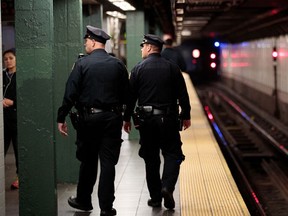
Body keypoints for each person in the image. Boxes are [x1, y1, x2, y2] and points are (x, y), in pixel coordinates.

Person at [57, 25, 130, 216]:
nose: (85, 44)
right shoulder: (118, 65)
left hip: (89, 119)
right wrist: (126, 117)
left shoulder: (81, 64)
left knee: (88, 161)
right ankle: (106, 207)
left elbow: (70, 93)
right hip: (112, 119)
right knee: (108, 163)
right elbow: (127, 94)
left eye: (86, 41)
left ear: (93, 41)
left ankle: (84, 200)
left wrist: (61, 116)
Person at [123, 34, 191, 210]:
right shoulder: (172, 68)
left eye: (142, 46)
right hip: (169, 119)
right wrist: (186, 115)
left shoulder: (138, 69)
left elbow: (131, 97)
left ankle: (155, 198)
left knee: (151, 158)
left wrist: (126, 118)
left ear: (149, 48)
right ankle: (167, 187)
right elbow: (183, 94)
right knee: (173, 154)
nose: (141, 50)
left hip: (147, 121)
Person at [3, 48, 19, 189]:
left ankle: (19, 178)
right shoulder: (2, 75)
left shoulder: (20, 76)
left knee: (18, 151)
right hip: (3, 121)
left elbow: (27, 98)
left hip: (16, 119)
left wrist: (13, 102)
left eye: (11, 58)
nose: (8, 61)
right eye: (6, 59)